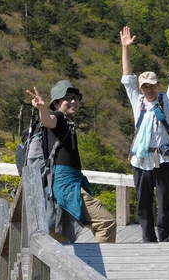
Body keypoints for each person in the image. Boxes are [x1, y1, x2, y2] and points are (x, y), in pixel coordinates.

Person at [25, 80, 116, 243]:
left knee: (59, 238)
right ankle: (94, 267)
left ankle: (61, 268)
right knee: (105, 222)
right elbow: (49, 120)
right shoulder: (59, 117)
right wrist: (42, 109)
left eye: (76, 97)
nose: (74, 101)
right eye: (68, 97)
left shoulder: (68, 121)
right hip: (65, 185)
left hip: (66, 184)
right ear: (57, 102)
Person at [120, 26, 169, 243]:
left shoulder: (166, 101)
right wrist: (125, 48)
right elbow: (127, 77)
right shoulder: (137, 102)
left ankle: (166, 240)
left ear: (158, 85)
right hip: (141, 158)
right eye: (145, 86)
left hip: (163, 158)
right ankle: (148, 239)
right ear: (141, 89)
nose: (148, 89)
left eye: (152, 85)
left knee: (166, 202)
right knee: (143, 202)